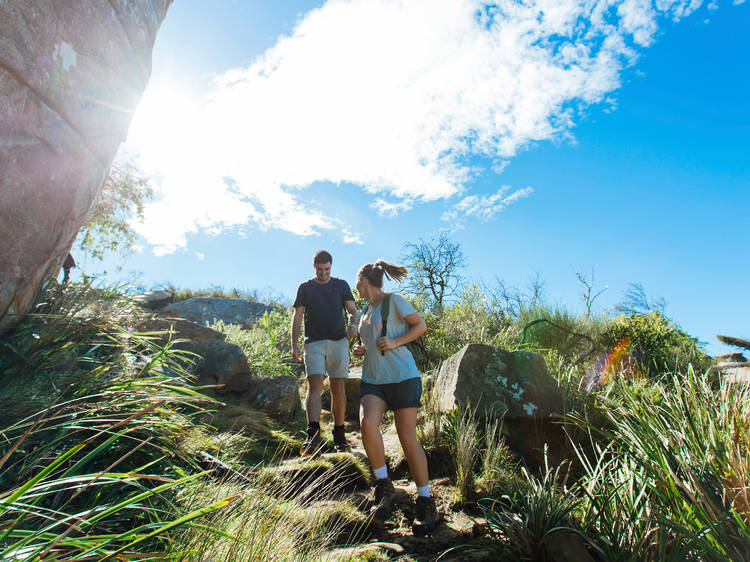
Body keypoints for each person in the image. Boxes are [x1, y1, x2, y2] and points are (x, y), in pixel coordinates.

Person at [353, 259, 439, 536]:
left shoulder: (394, 301)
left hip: (403, 377)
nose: (356, 286)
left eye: (357, 282)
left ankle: (425, 500)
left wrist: (394, 342)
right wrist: (363, 349)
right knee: (367, 423)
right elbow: (373, 341)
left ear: (364, 281)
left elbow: (420, 326)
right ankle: (383, 485)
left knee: (406, 437)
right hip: (374, 381)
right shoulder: (367, 310)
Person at [292, 250, 359, 455]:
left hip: (339, 342)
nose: (324, 273)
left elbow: (353, 311)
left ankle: (340, 437)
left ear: (331, 266)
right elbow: (297, 316)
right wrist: (294, 344)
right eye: (320, 270)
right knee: (315, 386)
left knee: (338, 386)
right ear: (314, 268)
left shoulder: (341, 285)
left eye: (327, 269)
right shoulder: (305, 287)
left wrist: (354, 325)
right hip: (314, 343)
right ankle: (312, 436)